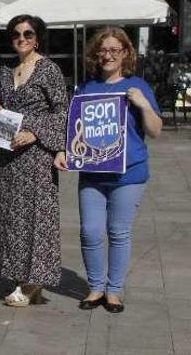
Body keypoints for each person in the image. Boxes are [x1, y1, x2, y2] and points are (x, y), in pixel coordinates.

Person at [55, 27, 162, 313]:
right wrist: (64, 151)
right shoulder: (86, 88)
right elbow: (73, 130)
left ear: (126, 52)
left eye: (116, 49)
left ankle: (113, 292)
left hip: (129, 174)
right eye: (103, 50)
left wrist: (143, 105)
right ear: (95, 54)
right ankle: (95, 289)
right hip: (92, 174)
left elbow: (155, 131)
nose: (109, 55)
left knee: (119, 232)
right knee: (90, 232)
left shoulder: (137, 86)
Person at [0, 15, 68, 307]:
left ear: (38, 37)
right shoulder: (8, 71)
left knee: (37, 218)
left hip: (36, 156)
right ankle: (21, 277)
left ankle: (31, 282)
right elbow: (9, 115)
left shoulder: (49, 70)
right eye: (16, 34)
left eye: (28, 34)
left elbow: (62, 113)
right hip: (7, 155)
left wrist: (35, 134)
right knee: (10, 218)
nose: (22, 39)